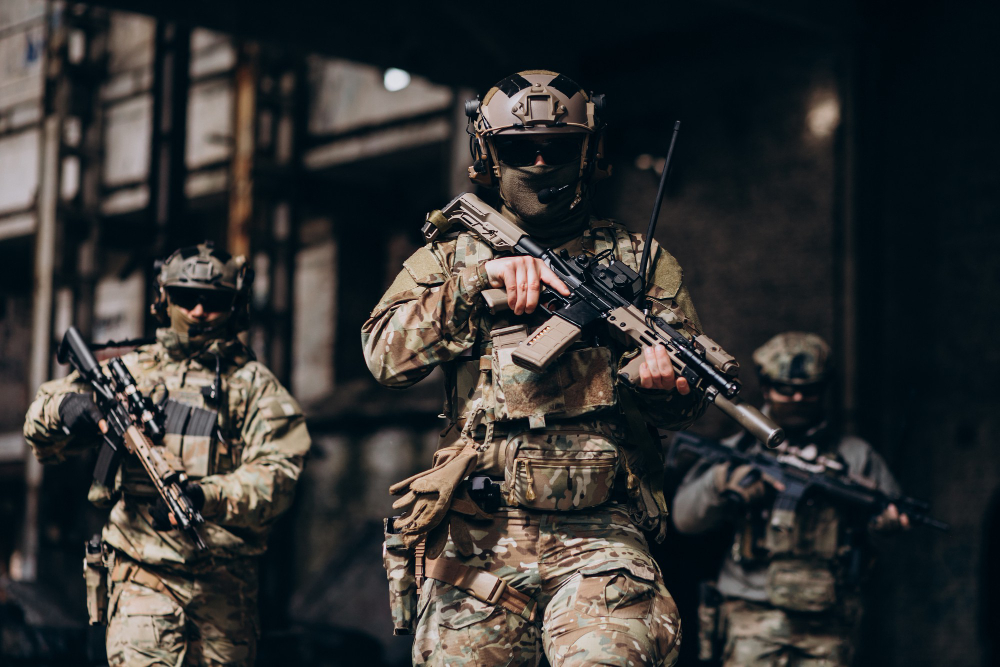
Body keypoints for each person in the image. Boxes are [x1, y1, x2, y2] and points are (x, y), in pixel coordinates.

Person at [364, 70, 710, 666]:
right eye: (521, 148)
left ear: (590, 154)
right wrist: (478, 285)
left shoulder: (639, 262)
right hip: (480, 531)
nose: (541, 162)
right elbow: (383, 357)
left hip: (601, 532)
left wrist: (663, 388)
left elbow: (689, 396)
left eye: (559, 146)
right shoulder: (451, 255)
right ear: (488, 156)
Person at [24, 242, 311, 666]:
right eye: (186, 297)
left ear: (235, 306)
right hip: (142, 573)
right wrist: (68, 409)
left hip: (223, 588)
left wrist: (203, 496)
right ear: (164, 298)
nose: (198, 311)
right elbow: (39, 428)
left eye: (212, 300)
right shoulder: (132, 369)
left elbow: (278, 478)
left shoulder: (256, 388)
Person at [671, 332, 907, 667]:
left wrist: (884, 529)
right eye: (786, 388)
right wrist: (721, 482)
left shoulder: (854, 458)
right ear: (766, 387)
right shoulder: (738, 449)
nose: (797, 397)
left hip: (825, 619)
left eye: (809, 390)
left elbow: (892, 540)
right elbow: (684, 519)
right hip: (749, 615)